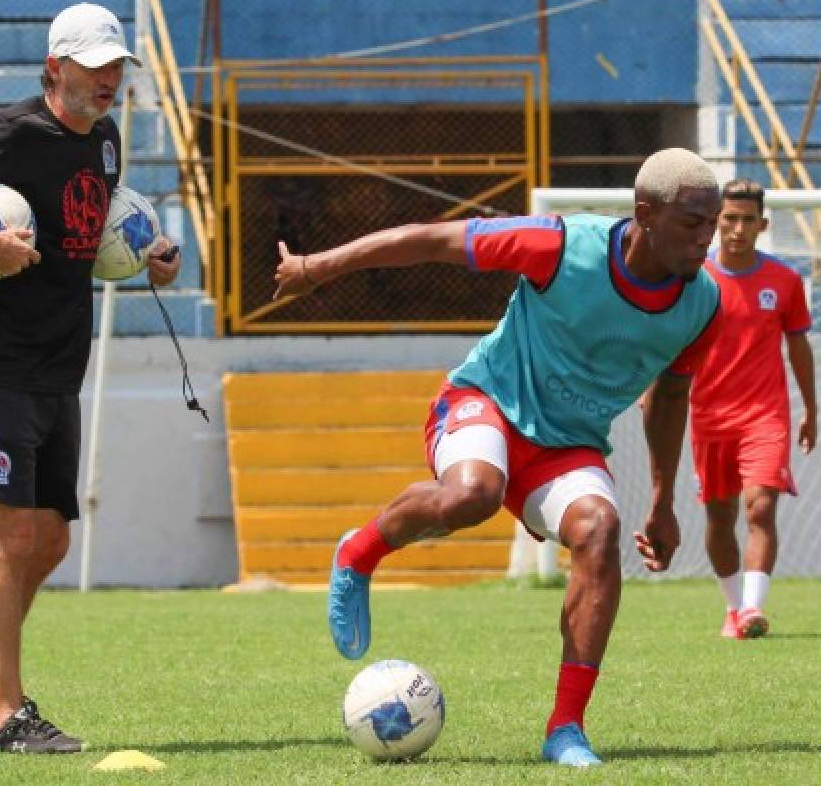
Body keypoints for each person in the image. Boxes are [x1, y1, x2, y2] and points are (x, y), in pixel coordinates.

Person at [274, 148, 724, 768]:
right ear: (645, 214)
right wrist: (316, 267)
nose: (707, 239)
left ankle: (566, 730)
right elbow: (431, 240)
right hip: (486, 400)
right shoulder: (562, 246)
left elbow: (670, 396)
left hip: (567, 447)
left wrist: (664, 501)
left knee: (600, 528)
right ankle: (360, 552)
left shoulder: (704, 304)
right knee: (472, 494)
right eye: (692, 223)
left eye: (714, 223)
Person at [0, 3, 180, 753]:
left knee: (48, 539)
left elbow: (96, 228)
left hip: (58, 365)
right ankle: (8, 715)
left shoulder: (107, 142)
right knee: (10, 535)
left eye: (118, 66)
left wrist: (149, 254)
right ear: (55, 68)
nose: (110, 79)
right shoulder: (15, 131)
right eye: (95, 65)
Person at [688, 178, 817, 640]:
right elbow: (667, 338)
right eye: (729, 219)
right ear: (715, 222)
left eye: (747, 220)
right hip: (708, 416)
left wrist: (811, 410)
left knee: (760, 507)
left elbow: (799, 348)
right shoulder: (695, 279)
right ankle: (732, 607)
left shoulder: (783, 281)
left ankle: (752, 609)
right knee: (720, 519)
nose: (738, 229)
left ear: (762, 225)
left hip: (766, 415)